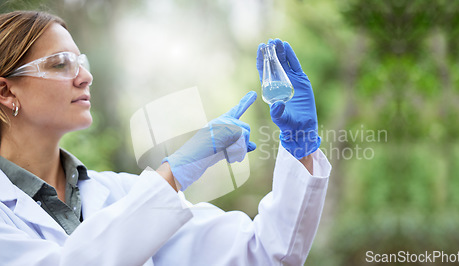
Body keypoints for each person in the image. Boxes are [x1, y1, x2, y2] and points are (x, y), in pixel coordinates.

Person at [0, 10, 331, 265]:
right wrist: (173, 173)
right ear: (6, 91)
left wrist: (299, 147)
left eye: (81, 63)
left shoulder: (120, 193)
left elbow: (264, 253)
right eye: (60, 64)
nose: (85, 77)